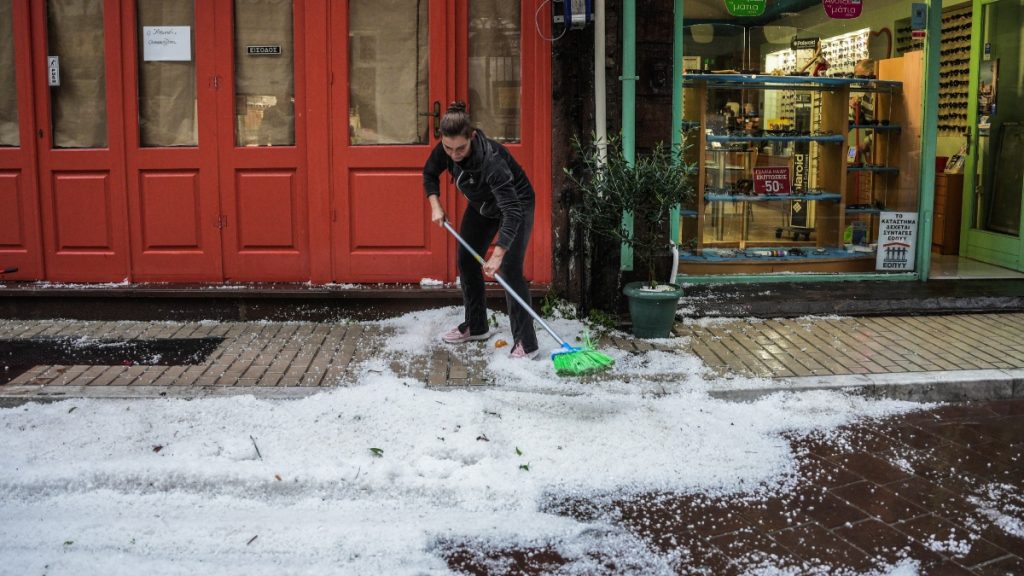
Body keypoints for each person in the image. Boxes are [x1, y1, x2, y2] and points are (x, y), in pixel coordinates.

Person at [422, 101, 539, 359]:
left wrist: (497, 254)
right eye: (448, 148)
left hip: (516, 205)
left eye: (460, 148)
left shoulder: (491, 162)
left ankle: (527, 343)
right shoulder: (446, 149)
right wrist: (435, 205)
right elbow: (429, 173)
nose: (454, 154)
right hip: (483, 206)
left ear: (472, 137)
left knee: (509, 269)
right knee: (467, 259)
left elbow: (512, 212)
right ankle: (476, 326)